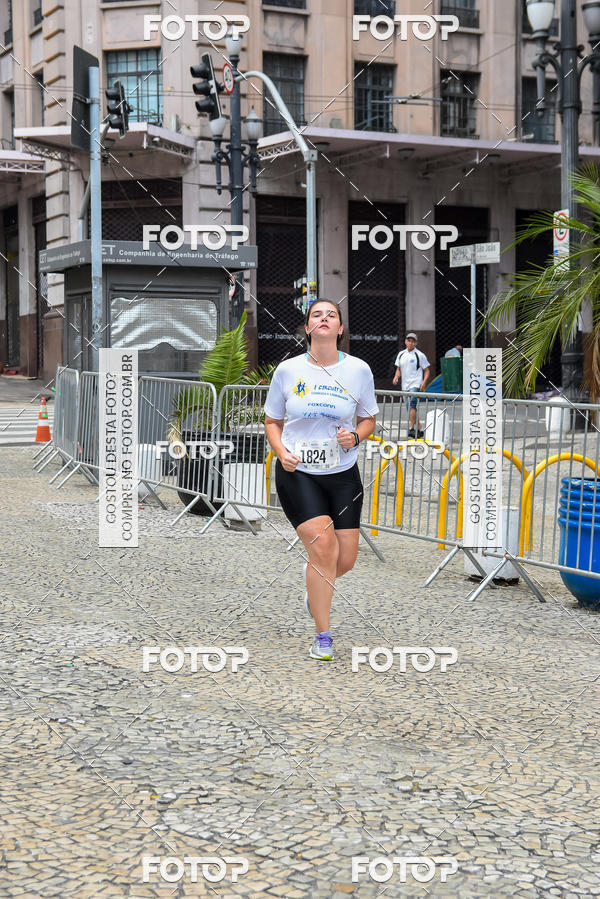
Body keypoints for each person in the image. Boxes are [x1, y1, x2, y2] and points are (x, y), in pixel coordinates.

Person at [264, 299, 379, 661]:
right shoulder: (288, 370)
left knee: (343, 561)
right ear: (307, 327)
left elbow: (369, 418)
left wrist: (356, 437)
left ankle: (314, 582)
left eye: (332, 315)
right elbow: (272, 421)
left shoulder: (359, 370)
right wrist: (281, 452)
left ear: (340, 329)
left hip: (343, 474)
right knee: (324, 549)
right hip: (298, 473)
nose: (324, 319)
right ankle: (323, 637)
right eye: (317, 315)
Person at [392, 332, 430, 438]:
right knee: (410, 408)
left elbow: (427, 370)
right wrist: (396, 376)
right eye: (409, 340)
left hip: (415, 383)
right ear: (405, 341)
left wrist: (423, 382)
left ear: (416, 343)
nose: (410, 343)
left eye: (413, 341)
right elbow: (398, 368)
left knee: (412, 404)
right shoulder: (401, 354)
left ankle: (411, 428)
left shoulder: (420, 355)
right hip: (405, 385)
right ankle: (419, 429)